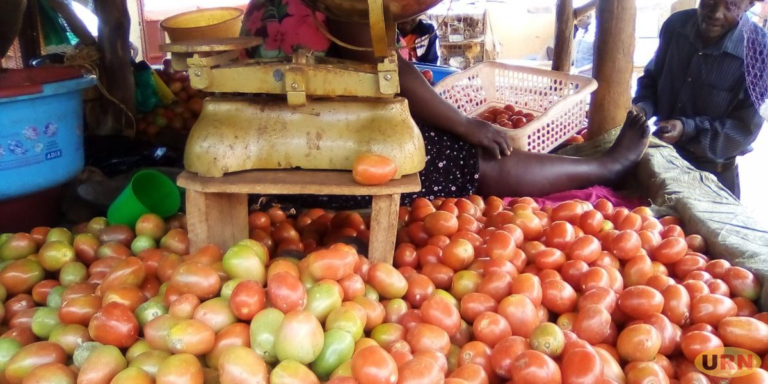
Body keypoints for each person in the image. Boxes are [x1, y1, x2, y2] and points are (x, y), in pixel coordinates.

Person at [240, 0, 650, 210]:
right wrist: (465, 126)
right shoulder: (343, 4)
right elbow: (385, 67)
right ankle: (603, 168)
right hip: (312, 150)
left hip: (278, 130)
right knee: (477, 156)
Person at [632, 0, 766, 199]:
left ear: (749, 4)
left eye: (732, 4)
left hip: (712, 179)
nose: (716, 13)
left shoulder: (760, 51)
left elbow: (744, 130)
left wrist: (687, 129)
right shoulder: (676, 26)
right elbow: (652, 77)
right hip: (659, 164)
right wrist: (643, 107)